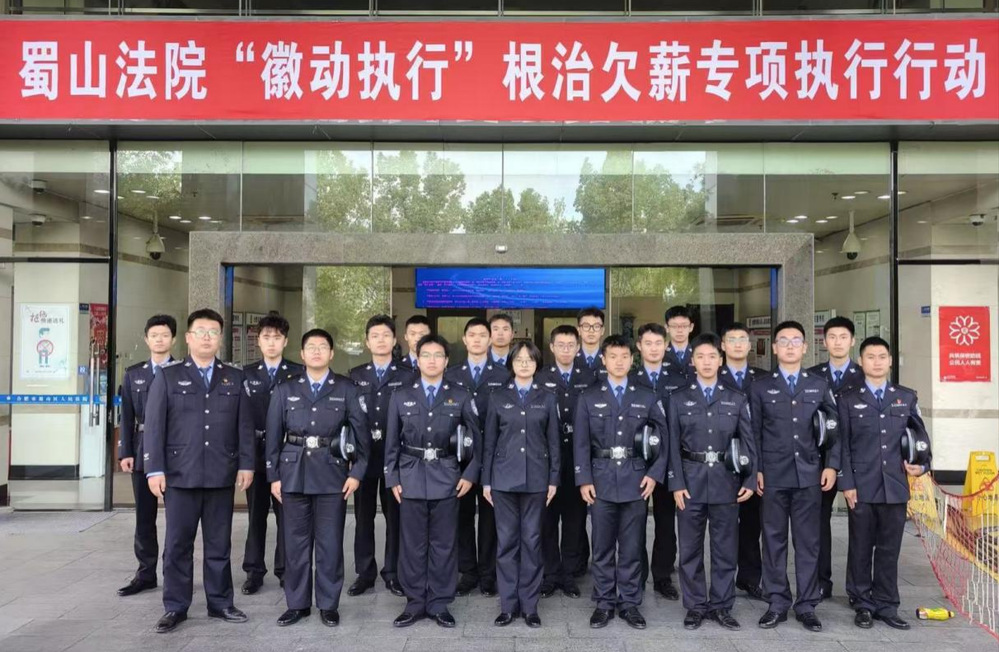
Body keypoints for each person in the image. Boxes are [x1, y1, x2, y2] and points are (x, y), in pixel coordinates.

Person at [143, 308, 255, 634]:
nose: (207, 338)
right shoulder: (168, 376)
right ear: (189, 337)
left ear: (221, 338)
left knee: (219, 545)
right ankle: (175, 606)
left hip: (221, 473)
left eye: (213, 332)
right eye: (201, 332)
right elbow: (154, 427)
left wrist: (246, 463)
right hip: (180, 474)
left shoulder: (234, 377)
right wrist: (154, 469)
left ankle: (220, 602)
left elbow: (244, 426)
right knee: (178, 545)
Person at [266, 328, 369, 628]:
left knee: (329, 543)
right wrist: (273, 476)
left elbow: (362, 437)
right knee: (295, 543)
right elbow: (272, 437)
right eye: (310, 347)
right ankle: (297, 604)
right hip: (293, 473)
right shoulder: (285, 389)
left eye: (322, 347)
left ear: (332, 354)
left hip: (332, 473)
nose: (316, 351)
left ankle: (328, 604)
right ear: (301, 354)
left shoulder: (347, 389)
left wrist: (356, 474)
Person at [573, 335, 669, 630]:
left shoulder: (647, 396)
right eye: (612, 356)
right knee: (602, 546)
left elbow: (663, 439)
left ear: (631, 360)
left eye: (624, 356)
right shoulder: (589, 397)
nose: (618, 362)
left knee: (631, 546)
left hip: (636, 479)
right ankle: (604, 602)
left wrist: (654, 474)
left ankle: (629, 603)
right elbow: (580, 443)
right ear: (603, 360)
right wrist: (583, 479)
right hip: (600, 479)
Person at [385, 335, 481, 629]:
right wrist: (392, 477)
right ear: (416, 359)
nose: (431, 360)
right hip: (410, 476)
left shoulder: (460, 395)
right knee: (412, 544)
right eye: (425, 355)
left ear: (446, 361)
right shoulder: (401, 395)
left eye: (438, 355)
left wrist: (470, 474)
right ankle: (415, 602)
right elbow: (391, 443)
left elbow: (478, 441)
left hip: (447, 476)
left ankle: (439, 603)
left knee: (443, 543)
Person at [750, 321, 839, 632]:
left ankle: (807, 605)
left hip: (809, 475)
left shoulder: (819, 385)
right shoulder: (760, 386)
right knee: (773, 541)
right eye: (784, 341)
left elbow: (833, 429)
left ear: (805, 347)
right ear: (774, 348)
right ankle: (777, 602)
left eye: (796, 341)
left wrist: (831, 465)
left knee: (808, 542)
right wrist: (756, 469)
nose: (790, 346)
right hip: (773, 476)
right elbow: (753, 432)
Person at [839, 336, 929, 631]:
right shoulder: (848, 399)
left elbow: (921, 439)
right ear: (860, 361)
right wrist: (847, 483)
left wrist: (922, 465)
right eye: (870, 357)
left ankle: (887, 605)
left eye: (881, 357)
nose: (876, 362)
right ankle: (862, 603)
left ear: (890, 361)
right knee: (861, 547)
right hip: (861, 486)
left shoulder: (906, 397)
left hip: (895, 485)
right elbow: (843, 445)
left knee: (890, 549)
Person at [667, 333, 757, 631]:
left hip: (725, 481)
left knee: (725, 549)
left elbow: (748, 441)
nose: (706, 362)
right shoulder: (678, 398)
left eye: (712, 357)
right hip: (690, 481)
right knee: (690, 549)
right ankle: (695, 606)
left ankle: (721, 605)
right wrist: (676, 483)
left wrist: (749, 478)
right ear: (692, 362)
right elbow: (672, 445)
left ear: (721, 360)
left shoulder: (736, 397)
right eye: (700, 357)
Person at [483, 341, 560, 628]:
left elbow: (554, 443)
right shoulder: (498, 397)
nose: (524, 364)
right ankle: (508, 605)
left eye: (529, 359)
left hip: (537, 480)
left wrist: (554, 479)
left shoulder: (547, 397)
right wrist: (486, 481)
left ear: (537, 364)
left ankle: (529, 606)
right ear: (511, 364)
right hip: (503, 480)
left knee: (532, 541)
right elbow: (489, 442)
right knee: (506, 543)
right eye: (519, 360)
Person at [445, 318, 511, 597]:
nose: (477, 339)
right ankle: (467, 571)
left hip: (493, 455)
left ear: (490, 340)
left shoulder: (503, 375)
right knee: (461, 516)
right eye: (472, 335)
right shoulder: (451, 374)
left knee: (489, 517)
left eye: (482, 335)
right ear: (464, 339)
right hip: (460, 457)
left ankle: (487, 573)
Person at [239, 311, 303, 596]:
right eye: (266, 337)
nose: (272, 342)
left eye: (277, 338)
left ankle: (285, 570)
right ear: (258, 340)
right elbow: (240, 420)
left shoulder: (297, 373)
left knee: (287, 516)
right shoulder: (246, 374)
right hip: (255, 454)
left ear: (285, 341)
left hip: (286, 456)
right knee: (255, 516)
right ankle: (253, 571)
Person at [348, 315, 412, 597]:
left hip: (395, 456)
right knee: (363, 517)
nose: (381, 340)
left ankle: (393, 572)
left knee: (395, 517)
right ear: (367, 342)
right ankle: (365, 572)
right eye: (375, 336)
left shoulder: (408, 375)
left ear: (394, 340)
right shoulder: (355, 375)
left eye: (386, 335)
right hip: (364, 456)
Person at [117, 314, 176, 598]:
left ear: (173, 339)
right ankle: (145, 573)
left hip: (175, 450)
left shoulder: (181, 371)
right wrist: (125, 451)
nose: (159, 340)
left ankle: (173, 572)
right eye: (154, 335)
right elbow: (126, 416)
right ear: (146, 339)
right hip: (142, 450)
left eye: (164, 335)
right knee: (144, 516)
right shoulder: (134, 374)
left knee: (177, 518)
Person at [536, 325, 596, 599]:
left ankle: (569, 575)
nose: (566, 349)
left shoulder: (589, 377)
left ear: (578, 347)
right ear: (552, 347)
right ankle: (550, 574)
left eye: (571, 345)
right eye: (560, 344)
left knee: (575, 519)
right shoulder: (540, 377)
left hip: (578, 457)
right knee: (547, 520)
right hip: (548, 457)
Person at [808, 316, 863, 601]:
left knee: (861, 526)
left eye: (843, 337)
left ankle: (858, 589)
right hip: (822, 459)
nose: (838, 342)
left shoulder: (865, 374)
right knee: (818, 523)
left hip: (859, 459)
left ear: (852, 341)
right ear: (824, 341)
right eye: (832, 337)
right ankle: (821, 582)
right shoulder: (812, 376)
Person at [630, 322, 686, 601]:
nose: (653, 349)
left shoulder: (679, 379)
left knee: (666, 522)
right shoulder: (629, 378)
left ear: (666, 346)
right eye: (647, 343)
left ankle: (663, 576)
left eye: (658, 343)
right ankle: (637, 575)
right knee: (635, 522)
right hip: (636, 463)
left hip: (669, 460)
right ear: (639, 346)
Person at [718, 322, 768, 602]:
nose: (737, 344)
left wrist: (759, 467)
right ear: (722, 345)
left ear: (749, 346)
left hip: (753, 461)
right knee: (723, 526)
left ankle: (749, 578)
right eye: (731, 339)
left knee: (751, 524)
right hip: (720, 462)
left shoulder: (763, 379)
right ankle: (721, 581)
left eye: (742, 339)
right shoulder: (712, 374)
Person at [664, 306, 696, 379]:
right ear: (667, 328)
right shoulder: (659, 353)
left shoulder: (699, 353)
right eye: (674, 326)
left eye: (684, 326)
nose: (679, 330)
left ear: (691, 327)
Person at [575, 307, 607, 378]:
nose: (591, 330)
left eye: (596, 326)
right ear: (578, 330)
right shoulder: (571, 358)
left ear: (602, 330)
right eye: (586, 326)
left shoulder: (609, 358)